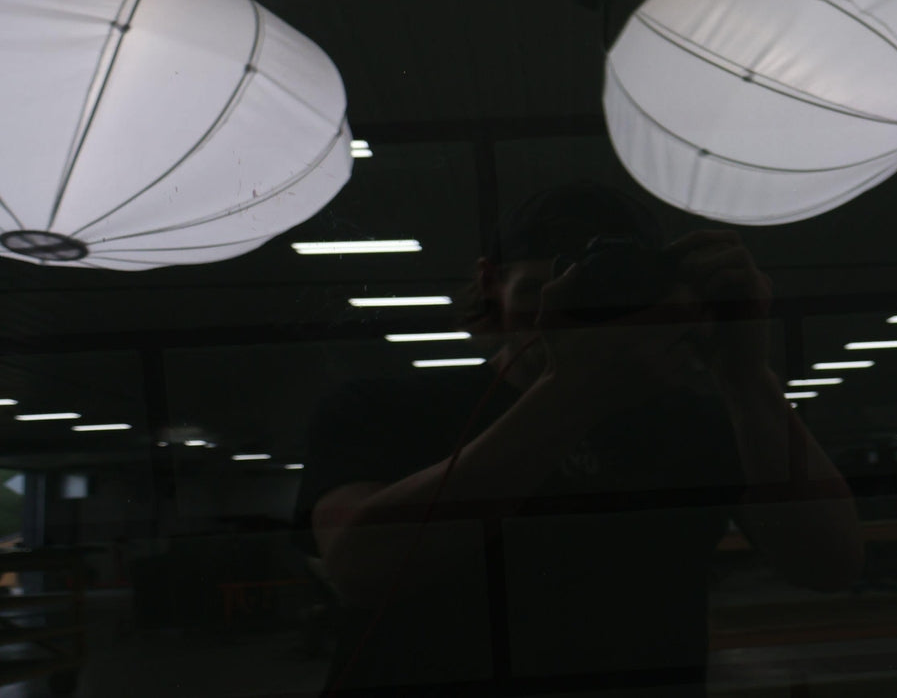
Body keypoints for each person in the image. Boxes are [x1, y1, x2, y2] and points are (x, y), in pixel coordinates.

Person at [293, 184, 862, 696]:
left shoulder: (701, 421)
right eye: (542, 288)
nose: (562, 310)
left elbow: (830, 563)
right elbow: (358, 568)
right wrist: (576, 390)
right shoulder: (383, 409)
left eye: (598, 291)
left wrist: (744, 373)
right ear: (490, 284)